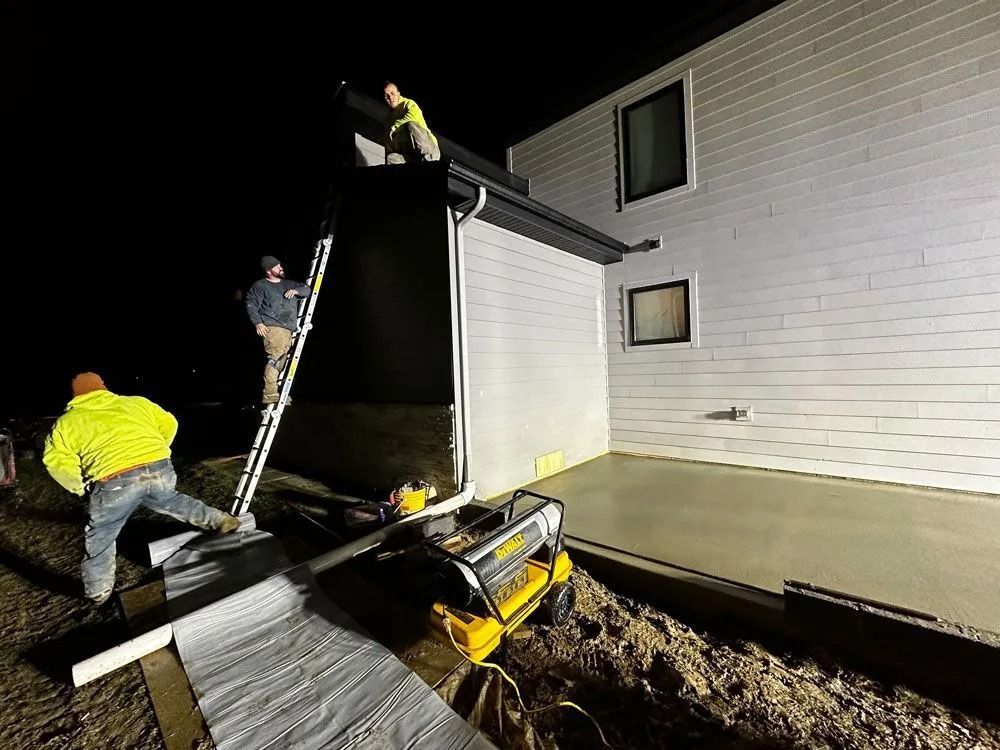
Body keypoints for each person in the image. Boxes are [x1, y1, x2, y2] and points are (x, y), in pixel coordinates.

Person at [42, 373, 242, 604]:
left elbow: (57, 463)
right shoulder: (136, 403)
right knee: (172, 500)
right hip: (160, 469)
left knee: (102, 534)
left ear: (75, 394)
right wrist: (156, 450)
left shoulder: (67, 423)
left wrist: (79, 488)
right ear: (103, 387)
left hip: (114, 481)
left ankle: (98, 591)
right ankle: (221, 521)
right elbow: (170, 423)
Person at [245, 256, 311, 405]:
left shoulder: (288, 284)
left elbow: (307, 289)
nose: (281, 268)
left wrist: (296, 290)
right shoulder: (260, 286)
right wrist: (258, 323)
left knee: (284, 361)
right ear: (269, 271)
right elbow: (251, 304)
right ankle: (269, 393)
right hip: (273, 327)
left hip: (289, 329)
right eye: (277, 266)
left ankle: (277, 391)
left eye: (280, 265)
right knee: (276, 359)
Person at [383, 81, 441, 164]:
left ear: (398, 94)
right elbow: (388, 142)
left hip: (430, 151)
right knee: (391, 158)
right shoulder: (389, 119)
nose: (390, 98)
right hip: (412, 158)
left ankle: (428, 161)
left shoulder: (408, 104)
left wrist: (393, 128)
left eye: (393, 93)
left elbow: (412, 118)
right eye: (386, 95)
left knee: (411, 124)